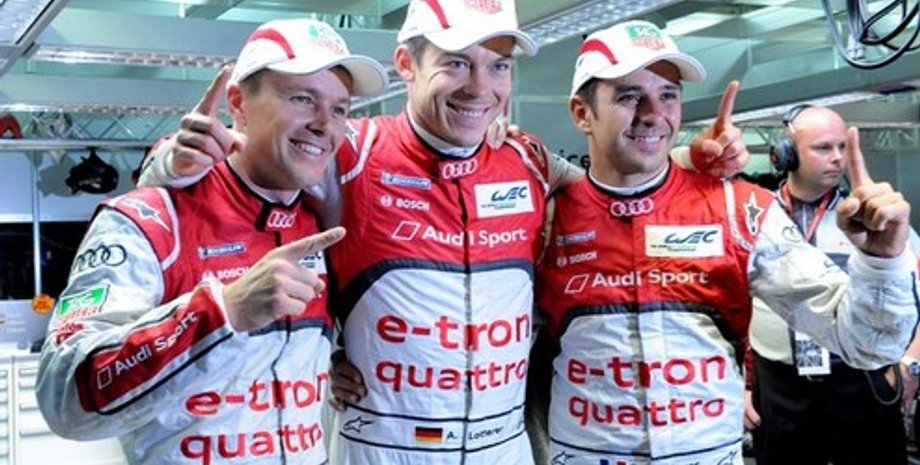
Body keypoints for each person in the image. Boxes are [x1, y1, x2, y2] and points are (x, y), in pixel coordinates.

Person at [138, 3, 748, 464]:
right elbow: (237, 165)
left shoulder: (528, 159)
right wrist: (169, 161)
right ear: (406, 65)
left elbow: (621, 183)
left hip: (503, 447)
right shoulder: (352, 151)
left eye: (497, 66)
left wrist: (693, 161)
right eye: (456, 63)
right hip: (384, 447)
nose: (480, 88)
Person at [536, 20, 920, 465]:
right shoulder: (543, 216)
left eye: (668, 95)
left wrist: (881, 262)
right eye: (628, 96)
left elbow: (866, 342)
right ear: (581, 114)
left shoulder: (739, 209)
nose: (653, 113)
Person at [35, 18, 388, 465]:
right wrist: (221, 313)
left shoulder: (323, 220)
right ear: (237, 104)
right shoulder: (151, 219)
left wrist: (338, 356)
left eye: (339, 109)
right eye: (302, 98)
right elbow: (64, 397)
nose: (325, 124)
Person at [744, 104, 920, 465]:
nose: (838, 158)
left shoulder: (872, 219)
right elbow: (728, 306)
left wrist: (910, 365)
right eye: (824, 147)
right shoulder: (756, 220)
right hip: (779, 385)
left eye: (842, 146)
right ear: (786, 153)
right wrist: (741, 386)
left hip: (861, 380)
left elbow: (915, 294)